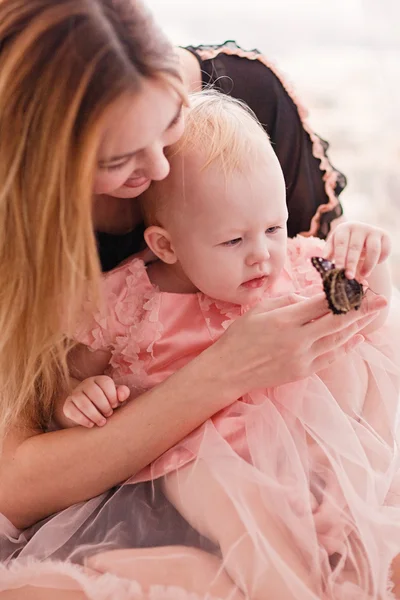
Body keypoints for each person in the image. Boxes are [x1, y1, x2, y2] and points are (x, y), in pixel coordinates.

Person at [0, 0, 388, 597]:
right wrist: (216, 374)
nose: (160, 167)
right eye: (120, 159)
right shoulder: (108, 292)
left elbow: (351, 301)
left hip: (312, 453)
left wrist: (366, 262)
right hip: (168, 467)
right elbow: (22, 472)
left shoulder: (250, 106)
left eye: (170, 123)